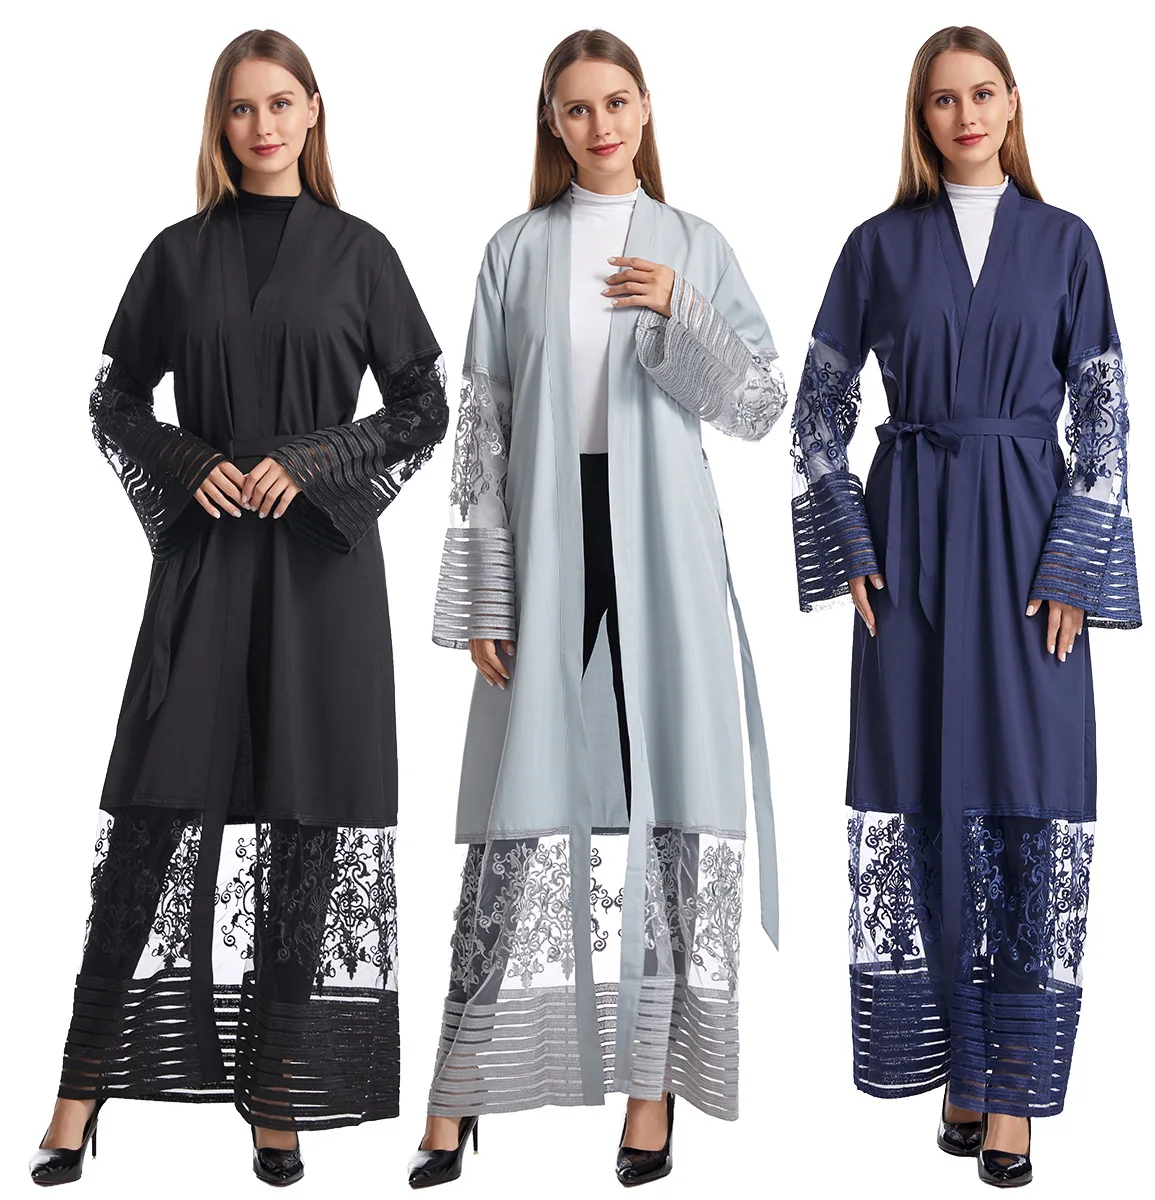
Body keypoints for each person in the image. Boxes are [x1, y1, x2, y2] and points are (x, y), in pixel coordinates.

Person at [28, 28, 448, 1188]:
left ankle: (280, 1095)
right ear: (220, 123)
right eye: (240, 107)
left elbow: (423, 405)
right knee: (154, 809)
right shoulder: (178, 254)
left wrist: (315, 460)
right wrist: (186, 459)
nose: (261, 125)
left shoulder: (362, 253)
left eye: (279, 103)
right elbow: (114, 397)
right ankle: (79, 1091)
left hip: (322, 576)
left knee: (306, 820)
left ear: (314, 111)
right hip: (208, 568)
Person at [408, 28, 785, 1191]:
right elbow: (482, 433)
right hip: (548, 541)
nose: (600, 125)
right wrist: (486, 591)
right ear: (551, 123)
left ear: (646, 107)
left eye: (616, 102)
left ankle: (651, 1092)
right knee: (516, 813)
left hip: (663, 548)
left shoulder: (693, 244)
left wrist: (681, 310)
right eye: (576, 108)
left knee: (671, 805)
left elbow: (760, 405)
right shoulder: (516, 251)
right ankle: (459, 1089)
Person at [789, 24, 1140, 1190]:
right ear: (921, 116)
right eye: (944, 99)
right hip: (910, 546)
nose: (966, 115)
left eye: (984, 93)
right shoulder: (877, 246)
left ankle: (1015, 1093)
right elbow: (817, 409)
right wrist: (848, 539)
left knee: (1031, 800)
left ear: (1013, 103)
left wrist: (1076, 566)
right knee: (926, 798)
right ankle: (961, 1066)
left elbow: (1104, 413)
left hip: (1030, 539)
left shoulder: (1066, 242)